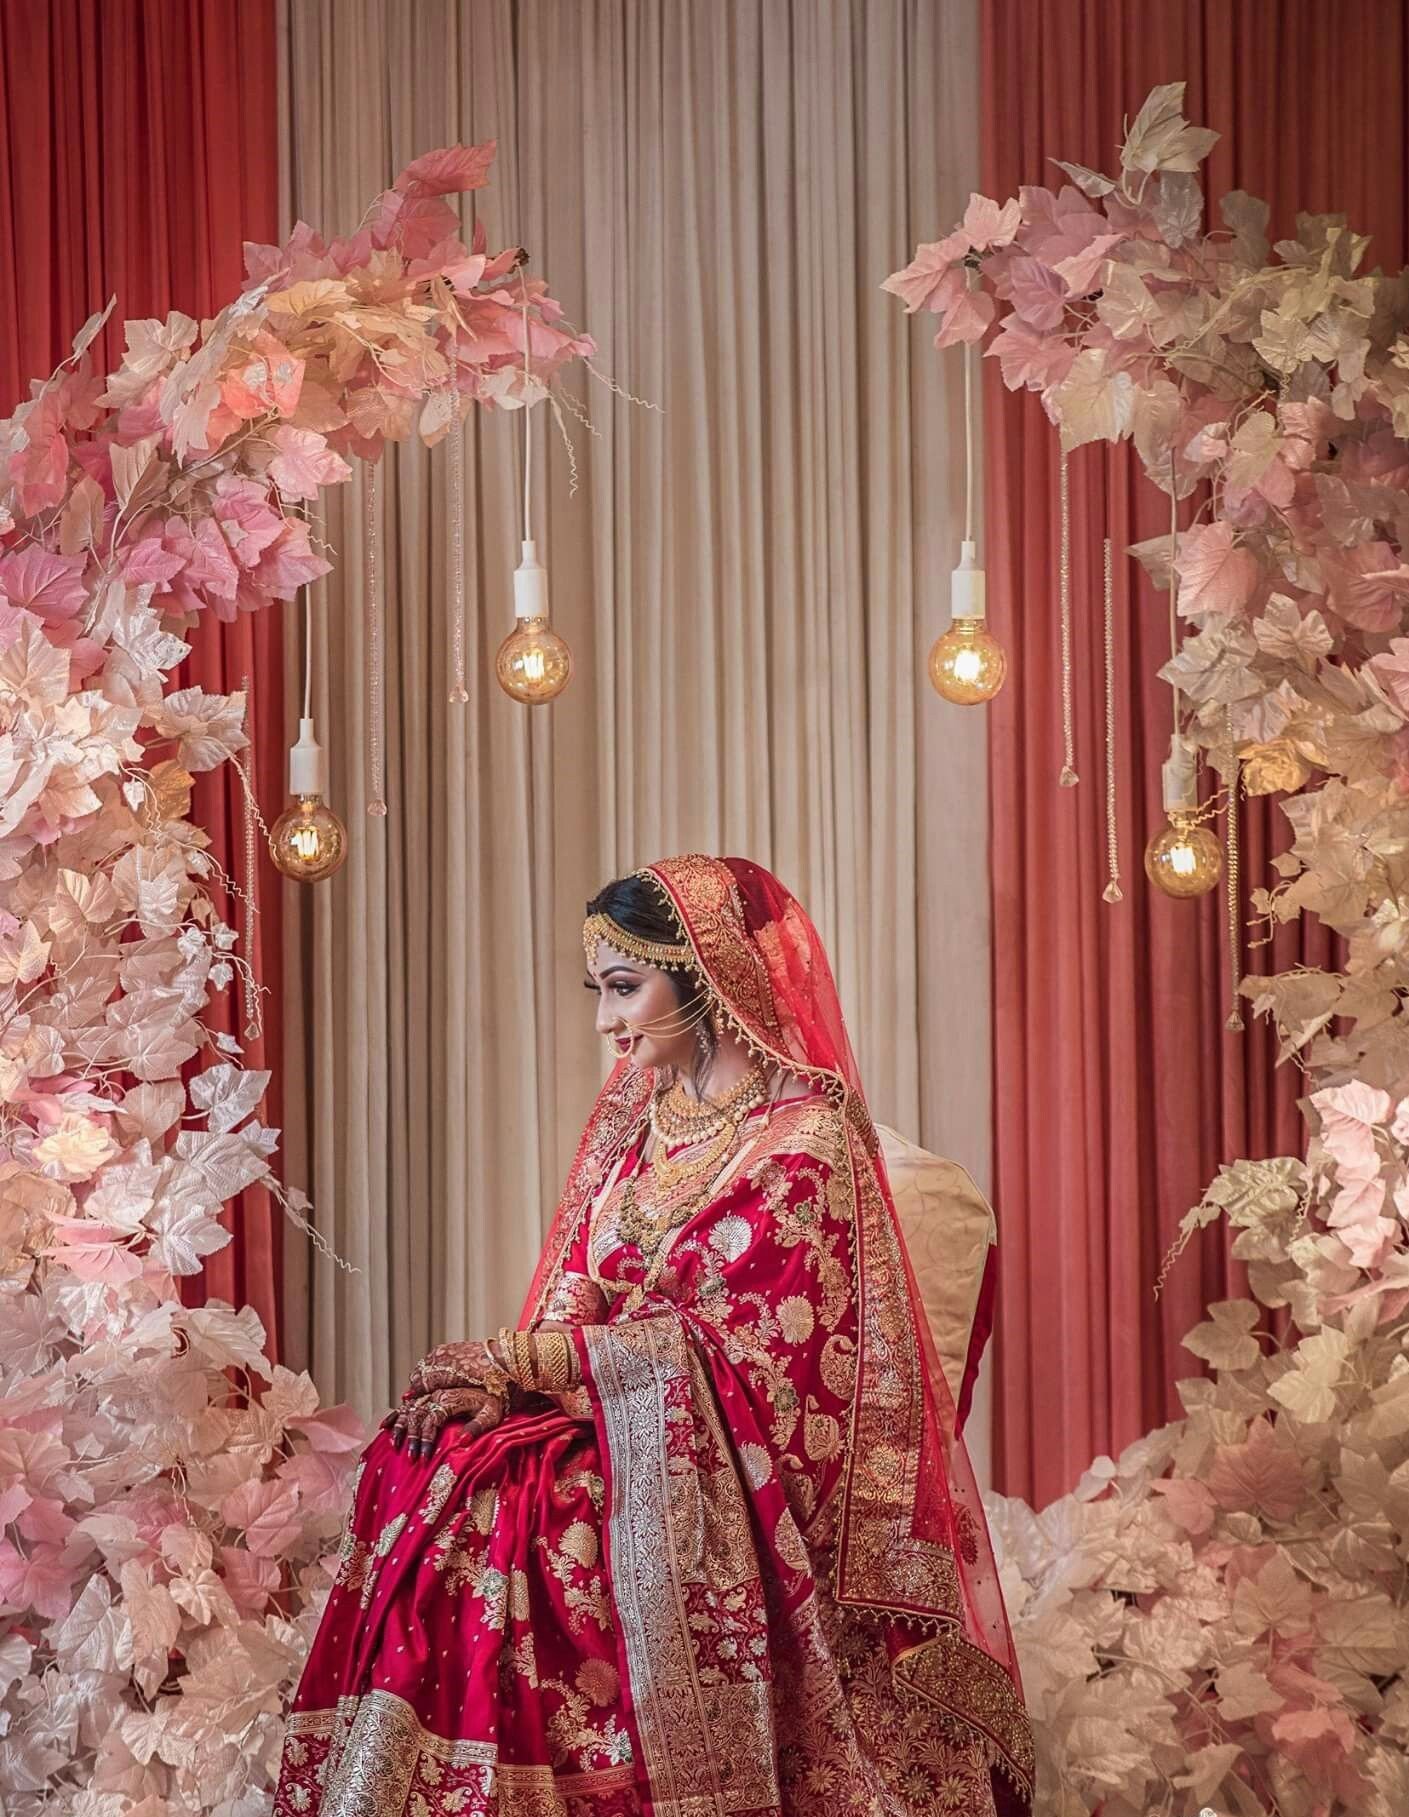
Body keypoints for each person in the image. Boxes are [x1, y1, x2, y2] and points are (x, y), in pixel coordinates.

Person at [272, 855, 1032, 1817]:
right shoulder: (645, 1118)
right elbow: (581, 1284)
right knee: (429, 1457)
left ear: (706, 975)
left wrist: (523, 1363)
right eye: (600, 991)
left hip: (727, 1470)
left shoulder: (802, 1141)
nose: (604, 1021)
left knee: (512, 1521)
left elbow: (747, 1356)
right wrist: (503, 1388)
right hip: (614, 1413)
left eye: (625, 988)